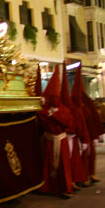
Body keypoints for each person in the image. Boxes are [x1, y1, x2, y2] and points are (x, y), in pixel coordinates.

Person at [37, 65, 74, 198]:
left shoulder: (63, 110)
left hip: (60, 140)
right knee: (47, 164)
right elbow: (40, 120)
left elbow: (68, 122)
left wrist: (56, 115)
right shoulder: (44, 110)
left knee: (63, 165)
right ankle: (48, 187)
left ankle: (65, 187)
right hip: (49, 140)